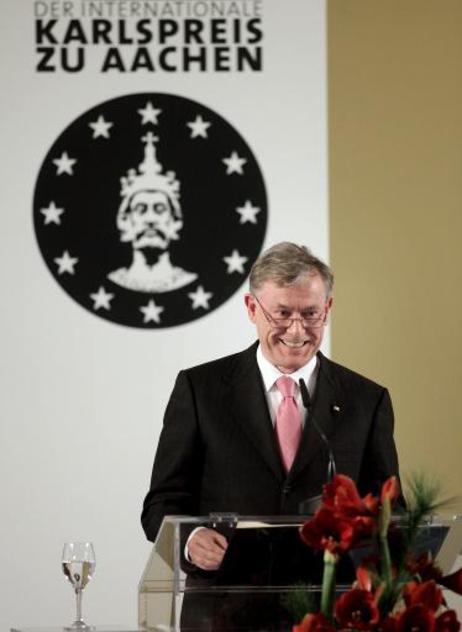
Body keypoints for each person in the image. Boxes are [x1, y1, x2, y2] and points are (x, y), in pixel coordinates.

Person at [141, 242, 401, 628]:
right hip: (221, 611)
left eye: (311, 314)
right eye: (282, 313)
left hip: (329, 612)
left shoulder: (367, 400)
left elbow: (390, 513)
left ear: (327, 310)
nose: (297, 330)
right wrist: (192, 539)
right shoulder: (201, 389)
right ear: (252, 309)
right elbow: (160, 502)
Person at [108, 131, 197, 292]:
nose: (150, 218)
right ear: (124, 221)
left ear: (175, 221)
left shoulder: (188, 281)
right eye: (141, 209)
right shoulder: (113, 281)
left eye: (159, 209)